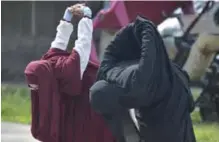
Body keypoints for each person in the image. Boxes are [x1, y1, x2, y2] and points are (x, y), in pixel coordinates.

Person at [90, 16, 196, 142]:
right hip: (167, 87)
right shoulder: (112, 74)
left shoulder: (134, 81)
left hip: (169, 95)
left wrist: (143, 28)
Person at [24, 4, 115, 142]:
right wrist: (86, 18)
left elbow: (58, 43)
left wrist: (67, 19)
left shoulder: (48, 66)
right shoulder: (65, 69)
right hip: (86, 112)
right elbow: (83, 46)